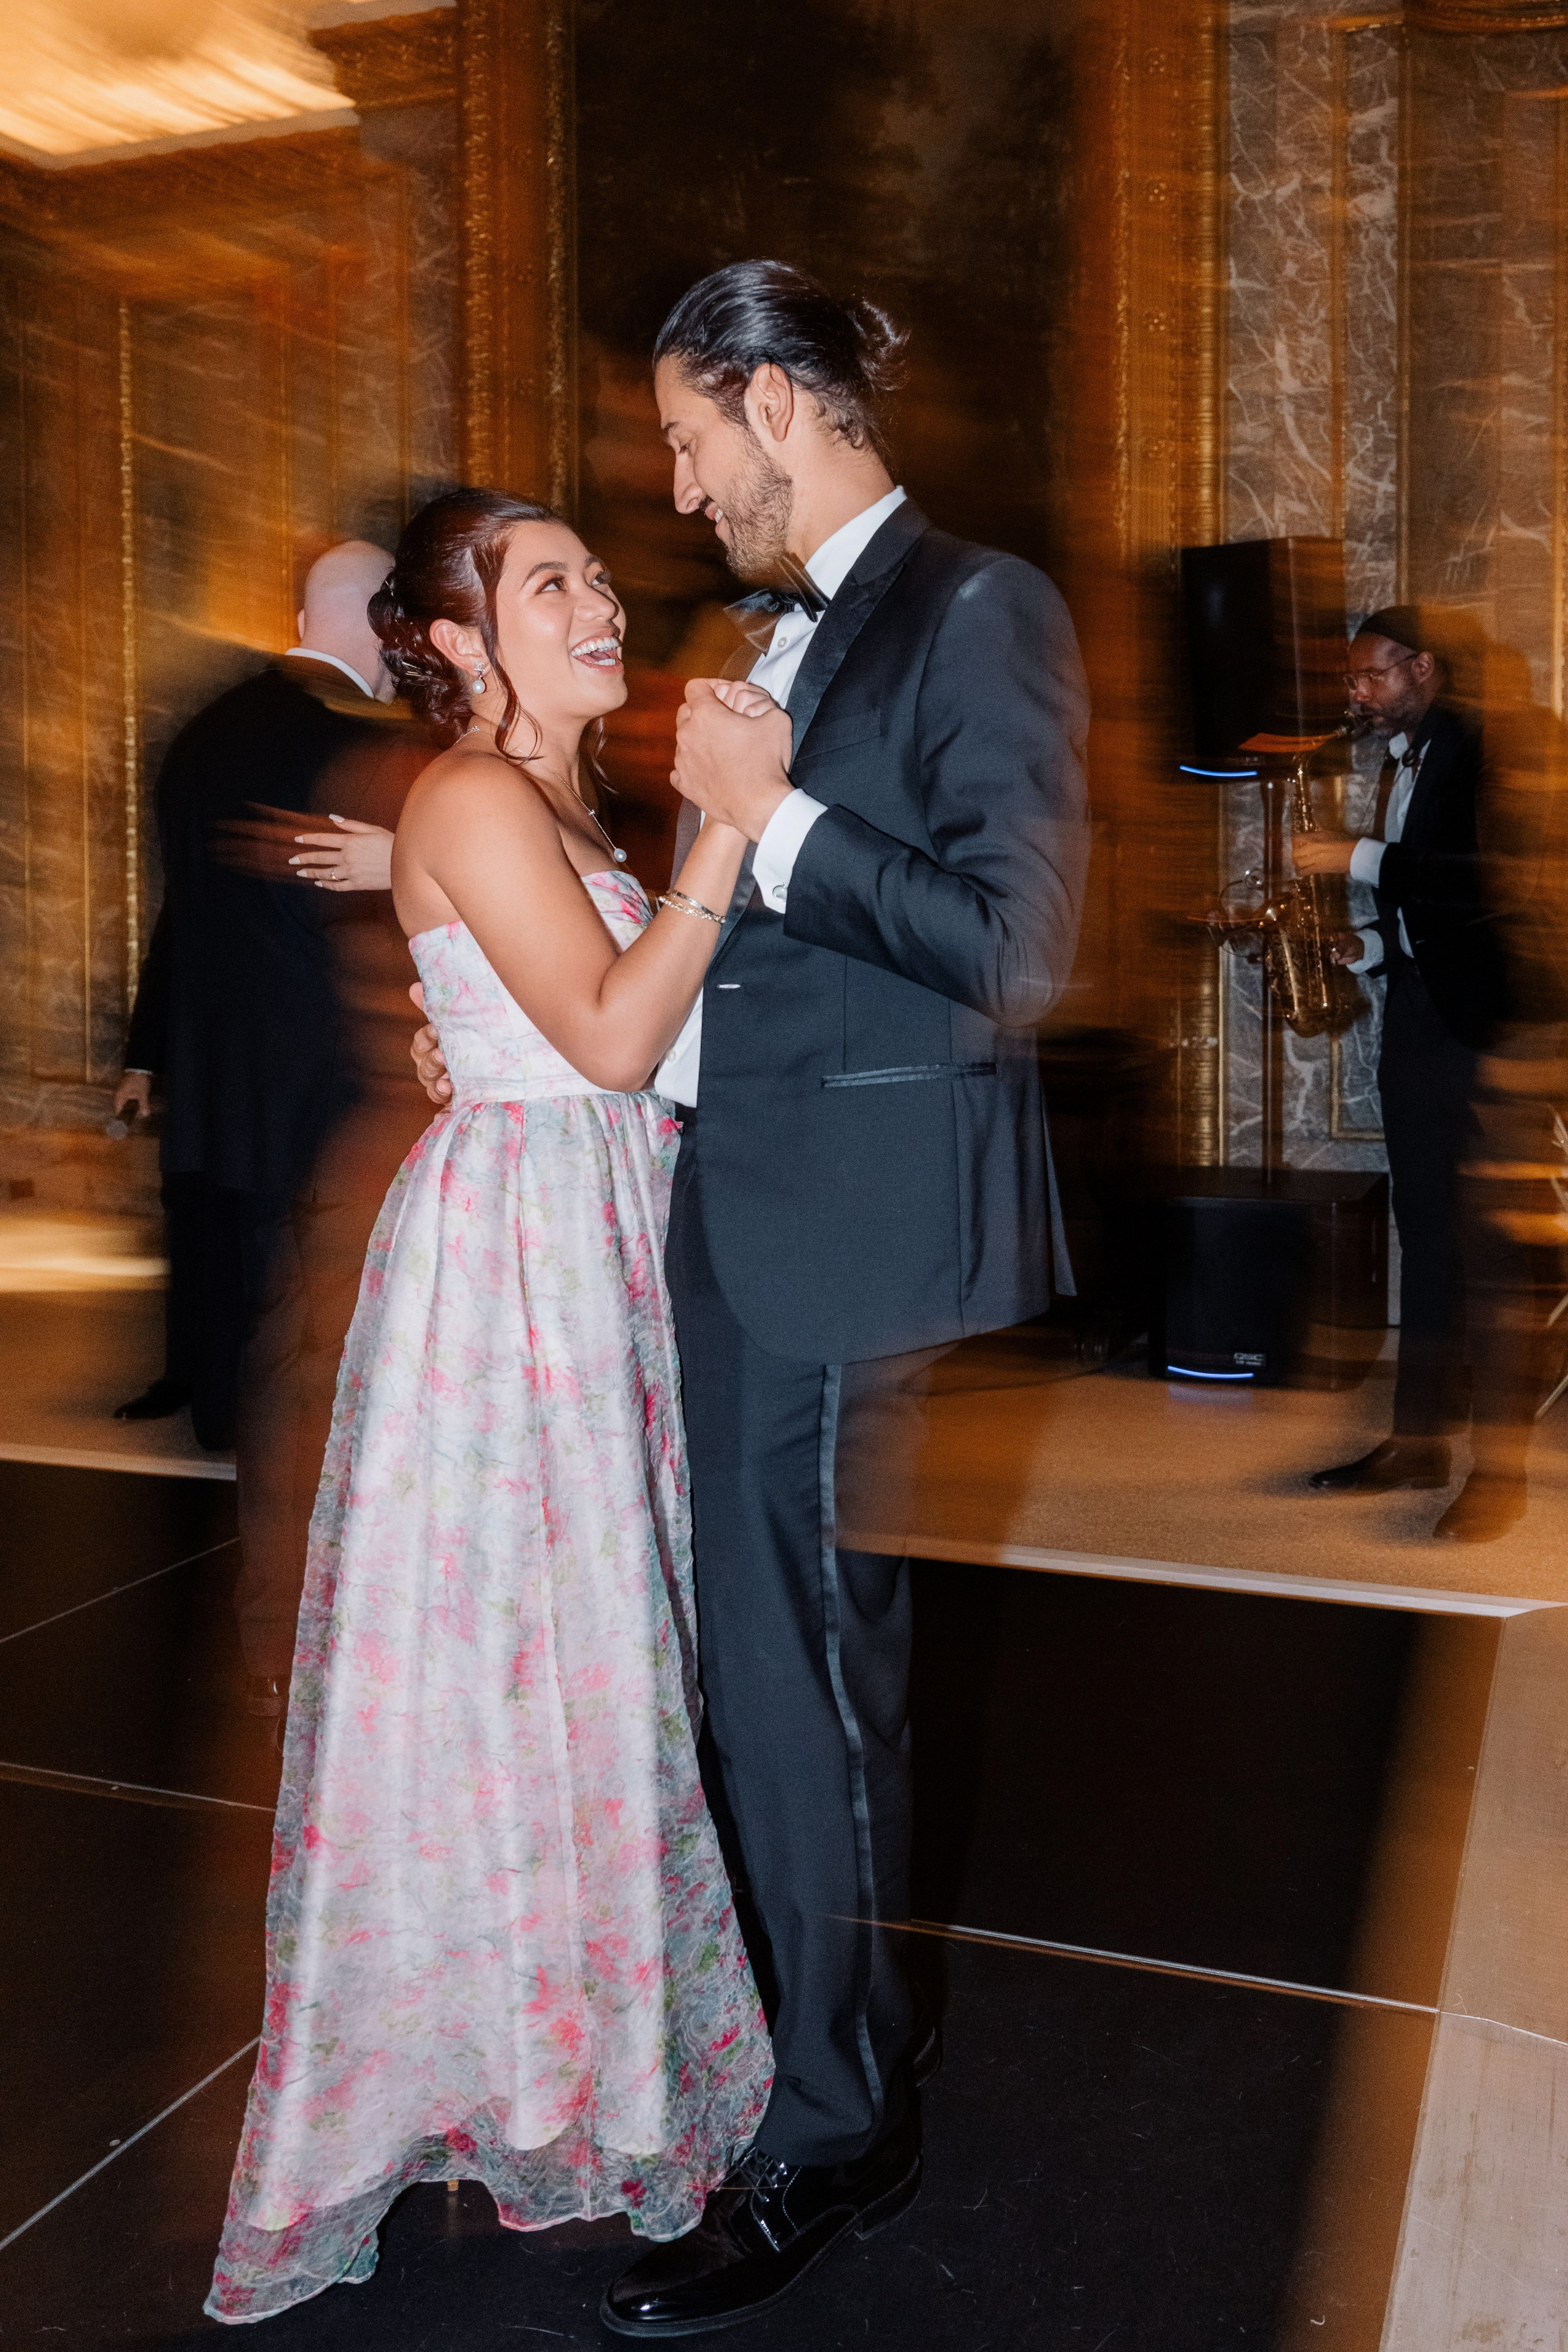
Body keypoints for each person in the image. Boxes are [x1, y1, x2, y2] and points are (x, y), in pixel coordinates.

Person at [413, 260, 1091, 2337]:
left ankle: (836, 2128)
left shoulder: (981, 610)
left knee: (801, 1686)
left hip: (844, 1225)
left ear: (781, 404)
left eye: (697, 438)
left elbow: (1020, 944)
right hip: (736, 1205)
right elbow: (708, 960)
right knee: (778, 1680)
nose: (686, 489)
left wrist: (769, 821)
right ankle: (850, 2043)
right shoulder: (759, 635)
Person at [205, 489, 771, 2324]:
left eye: (597, 576)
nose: (603, 600)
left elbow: (595, 1008)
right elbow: (607, 1035)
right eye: (555, 585)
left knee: (586, 1664)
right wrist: (724, 835)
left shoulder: (527, 802)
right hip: (519, 1268)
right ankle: (547, 2070)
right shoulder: (468, 790)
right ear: (456, 640)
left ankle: (583, 2062)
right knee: (542, 1662)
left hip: (585, 1228)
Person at [112, 540, 400, 1449]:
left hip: (210, 1050)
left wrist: (150, 1050)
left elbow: (183, 910)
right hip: (327, 1051)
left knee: (219, 1232)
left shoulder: (204, 733)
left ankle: (218, 1410)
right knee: (309, 1262)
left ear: (307, 620)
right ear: (381, 623)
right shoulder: (359, 744)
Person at [1294, 606, 1534, 1539]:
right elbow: (1427, 916)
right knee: (1426, 1238)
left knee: (1493, 1257)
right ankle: (1418, 1440)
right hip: (1420, 1025)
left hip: (1487, 1034)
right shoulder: (1399, 761)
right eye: (1354, 679)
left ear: (1423, 668)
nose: (1357, 691)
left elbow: (1471, 882)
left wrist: (1347, 855)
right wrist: (1365, 951)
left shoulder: (1481, 746)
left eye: (1372, 676)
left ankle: (1500, 1470)